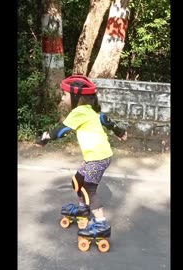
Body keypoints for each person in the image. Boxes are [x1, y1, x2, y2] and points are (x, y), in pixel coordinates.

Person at [35, 75, 127, 243]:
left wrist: (46, 137)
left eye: (65, 94)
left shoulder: (79, 112)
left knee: (88, 189)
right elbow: (106, 121)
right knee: (77, 180)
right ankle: (83, 209)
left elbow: (62, 131)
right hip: (98, 157)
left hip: (97, 158)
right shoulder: (89, 112)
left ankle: (101, 225)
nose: (62, 97)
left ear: (77, 97)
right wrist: (120, 132)